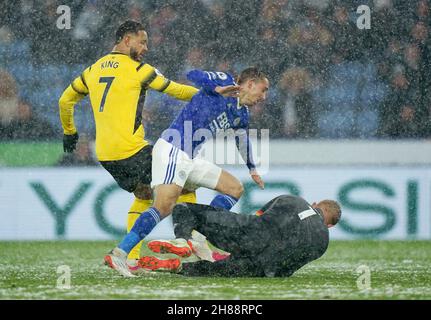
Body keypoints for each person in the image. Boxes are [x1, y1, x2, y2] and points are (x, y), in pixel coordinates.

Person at [104, 67, 269, 277]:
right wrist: (217, 88)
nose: (263, 97)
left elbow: (242, 140)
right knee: (163, 206)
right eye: (262, 90)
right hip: (173, 149)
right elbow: (192, 74)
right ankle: (119, 253)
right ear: (250, 84)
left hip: (190, 157)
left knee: (234, 188)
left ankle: (198, 237)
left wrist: (252, 168)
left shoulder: (241, 113)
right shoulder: (224, 80)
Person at [58, 20, 199, 262]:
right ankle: (187, 244)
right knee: (184, 181)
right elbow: (176, 90)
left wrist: (70, 132)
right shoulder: (138, 70)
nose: (145, 48)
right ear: (126, 40)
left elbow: (64, 101)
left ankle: (130, 259)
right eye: (142, 42)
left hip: (105, 155)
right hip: (131, 150)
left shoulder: (93, 69)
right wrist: (213, 97)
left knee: (144, 195)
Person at [138, 194, 342, 278]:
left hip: (248, 235)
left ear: (315, 204)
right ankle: (179, 267)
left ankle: (183, 240)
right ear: (330, 226)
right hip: (263, 267)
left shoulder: (293, 200)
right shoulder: (322, 243)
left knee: (184, 209)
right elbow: (286, 270)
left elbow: (258, 217)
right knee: (214, 271)